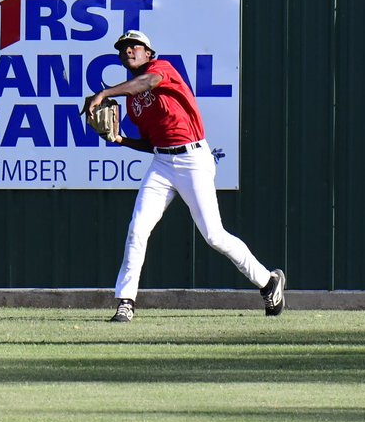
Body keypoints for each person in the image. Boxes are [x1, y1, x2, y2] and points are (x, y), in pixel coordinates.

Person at [82, 29, 286, 323]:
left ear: (148, 53)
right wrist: (121, 140)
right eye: (124, 47)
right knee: (137, 229)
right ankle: (125, 302)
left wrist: (103, 93)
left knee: (214, 235)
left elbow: (146, 83)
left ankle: (268, 282)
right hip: (162, 163)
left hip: (193, 159)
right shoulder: (132, 102)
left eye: (135, 46)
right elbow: (153, 142)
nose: (128, 50)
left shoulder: (160, 69)